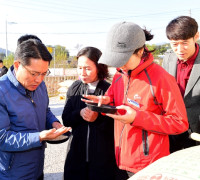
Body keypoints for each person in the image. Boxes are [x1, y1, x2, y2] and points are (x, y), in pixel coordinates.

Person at [82, 22, 189, 179]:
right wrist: (106, 101)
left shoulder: (162, 79)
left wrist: (137, 118)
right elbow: (114, 100)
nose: (120, 64)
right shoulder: (120, 75)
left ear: (140, 51)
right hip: (120, 159)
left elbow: (180, 123)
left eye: (124, 58)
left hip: (149, 166)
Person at [0, 35, 71, 180]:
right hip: (12, 174)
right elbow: (2, 138)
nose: (39, 79)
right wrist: (38, 137)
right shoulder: (2, 91)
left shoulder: (40, 85)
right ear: (18, 65)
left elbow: (45, 111)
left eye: (44, 73)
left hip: (37, 169)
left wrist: (53, 122)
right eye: (33, 74)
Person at [62, 47, 117, 180]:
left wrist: (97, 119)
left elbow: (116, 125)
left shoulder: (109, 90)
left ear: (99, 67)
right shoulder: (75, 87)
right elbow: (66, 119)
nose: (83, 72)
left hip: (102, 159)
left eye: (88, 68)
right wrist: (79, 113)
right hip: (76, 156)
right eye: (80, 68)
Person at [162, 16, 200, 153]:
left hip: (197, 130)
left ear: (196, 36)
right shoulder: (168, 58)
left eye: (184, 43)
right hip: (172, 127)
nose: (179, 49)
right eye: (174, 44)